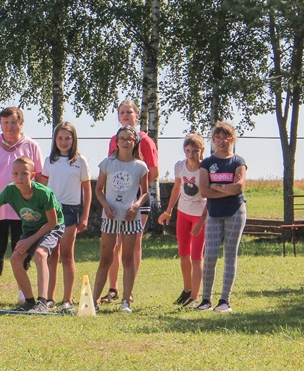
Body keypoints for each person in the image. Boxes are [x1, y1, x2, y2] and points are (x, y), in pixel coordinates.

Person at [0, 107, 43, 305]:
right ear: (1, 124)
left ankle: (23, 292)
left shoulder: (31, 146)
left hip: (25, 210)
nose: (10, 127)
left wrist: (39, 205)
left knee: (21, 250)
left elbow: (40, 178)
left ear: (21, 123)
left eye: (13, 122)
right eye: (5, 123)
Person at [0, 156, 64, 313]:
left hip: (51, 226)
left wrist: (30, 241)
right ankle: (29, 302)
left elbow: (52, 223)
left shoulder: (44, 193)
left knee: (40, 254)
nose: (19, 178)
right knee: (16, 260)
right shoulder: (10, 190)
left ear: (32, 175)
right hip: (30, 228)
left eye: (24, 173)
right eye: (15, 173)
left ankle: (42, 302)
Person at [101, 100, 159, 304]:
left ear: (137, 116)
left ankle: (129, 291)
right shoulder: (114, 140)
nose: (125, 115)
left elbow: (153, 171)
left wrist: (133, 193)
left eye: (129, 112)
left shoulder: (146, 140)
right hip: (115, 201)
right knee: (113, 245)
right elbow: (110, 170)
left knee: (133, 245)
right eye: (122, 112)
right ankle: (112, 288)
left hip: (138, 201)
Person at [91, 126, 149, 313]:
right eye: (122, 138)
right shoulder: (107, 163)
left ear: (134, 142)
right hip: (110, 217)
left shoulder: (140, 166)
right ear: (116, 141)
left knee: (127, 259)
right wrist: (106, 206)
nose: (125, 142)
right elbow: (98, 189)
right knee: (105, 259)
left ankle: (126, 300)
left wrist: (136, 205)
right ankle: (94, 300)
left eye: (129, 138)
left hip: (131, 218)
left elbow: (146, 192)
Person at [37, 121, 90, 309]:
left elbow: (86, 189)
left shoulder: (80, 161)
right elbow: (42, 188)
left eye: (68, 138)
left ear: (73, 139)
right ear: (55, 139)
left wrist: (84, 216)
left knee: (67, 255)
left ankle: (67, 299)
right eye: (60, 138)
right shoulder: (49, 161)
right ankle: (49, 297)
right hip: (51, 211)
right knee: (51, 255)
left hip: (70, 210)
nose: (64, 141)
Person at [195, 122, 247, 313]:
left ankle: (225, 300)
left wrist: (215, 186)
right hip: (214, 214)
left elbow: (238, 188)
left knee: (230, 255)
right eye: (217, 137)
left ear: (231, 139)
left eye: (225, 137)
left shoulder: (238, 162)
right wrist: (225, 189)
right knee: (209, 256)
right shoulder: (207, 163)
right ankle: (206, 299)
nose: (221, 140)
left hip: (235, 211)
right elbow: (204, 191)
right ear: (213, 140)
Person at [159, 133, 206, 307]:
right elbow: (177, 188)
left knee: (196, 256)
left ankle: (195, 296)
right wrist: (168, 211)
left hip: (200, 215)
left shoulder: (205, 169)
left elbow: (209, 195)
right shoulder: (180, 166)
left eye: (195, 151)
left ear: (202, 150)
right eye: (188, 151)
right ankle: (187, 290)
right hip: (183, 214)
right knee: (183, 253)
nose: (191, 155)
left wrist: (202, 219)